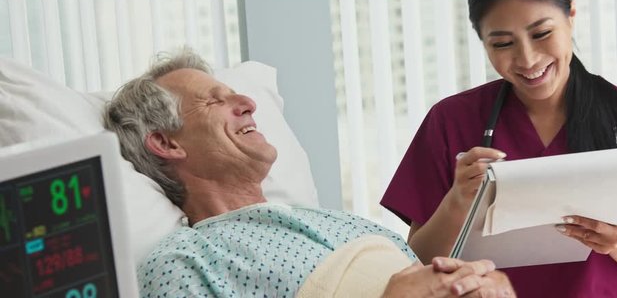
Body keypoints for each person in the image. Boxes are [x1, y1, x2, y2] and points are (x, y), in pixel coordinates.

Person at [381, 0, 617, 298]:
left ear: (570, 14)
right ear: (483, 42)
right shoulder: (450, 122)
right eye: (503, 43)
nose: (527, 59)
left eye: (541, 34)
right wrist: (457, 201)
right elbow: (415, 264)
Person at [103, 49, 515, 297]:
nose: (247, 102)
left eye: (236, 94)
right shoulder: (184, 263)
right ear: (167, 143)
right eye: (214, 102)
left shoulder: (338, 224)